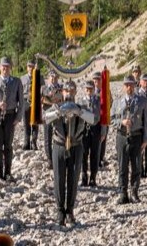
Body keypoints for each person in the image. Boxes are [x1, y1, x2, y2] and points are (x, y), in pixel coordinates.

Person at [47, 81, 98, 227]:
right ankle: (59, 211)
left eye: (71, 90)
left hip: (76, 146)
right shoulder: (57, 106)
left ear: (75, 92)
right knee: (59, 179)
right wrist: (58, 112)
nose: (68, 93)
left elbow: (93, 119)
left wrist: (79, 112)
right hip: (59, 146)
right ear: (62, 92)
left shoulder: (81, 107)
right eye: (66, 91)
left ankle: (70, 210)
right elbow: (44, 118)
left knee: (73, 179)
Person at [110, 75, 147, 204]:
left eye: (131, 85)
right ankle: (123, 193)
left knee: (137, 166)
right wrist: (121, 121)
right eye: (127, 85)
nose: (129, 87)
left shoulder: (142, 101)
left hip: (136, 136)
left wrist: (146, 139)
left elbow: (146, 121)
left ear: (135, 85)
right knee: (122, 166)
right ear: (123, 86)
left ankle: (134, 192)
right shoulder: (117, 101)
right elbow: (111, 119)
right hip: (121, 136)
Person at [0, 56, 24, 181]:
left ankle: (8, 172)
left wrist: (18, 118)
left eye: (7, 67)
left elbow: (21, 101)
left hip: (10, 115)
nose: (5, 69)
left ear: (10, 68)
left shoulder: (16, 82)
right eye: (3, 66)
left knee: (8, 145)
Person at [79, 79, 104, 188]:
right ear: (84, 90)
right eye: (87, 89)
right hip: (84, 130)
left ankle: (93, 177)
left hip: (95, 129)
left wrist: (103, 132)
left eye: (91, 89)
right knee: (83, 154)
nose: (89, 91)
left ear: (94, 89)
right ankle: (84, 177)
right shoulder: (80, 102)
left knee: (95, 155)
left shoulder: (99, 101)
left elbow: (103, 118)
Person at [21, 60, 38, 150]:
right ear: (27, 67)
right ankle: (26, 142)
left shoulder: (39, 77)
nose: (31, 68)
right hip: (25, 102)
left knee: (35, 123)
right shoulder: (22, 78)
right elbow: (20, 92)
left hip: (35, 102)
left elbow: (42, 90)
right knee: (26, 123)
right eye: (29, 66)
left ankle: (34, 142)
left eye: (32, 66)